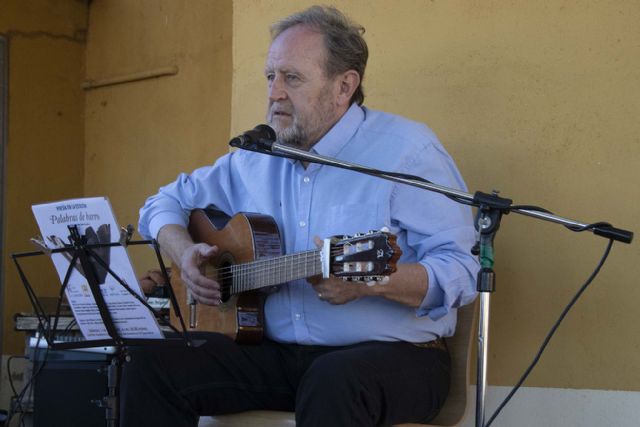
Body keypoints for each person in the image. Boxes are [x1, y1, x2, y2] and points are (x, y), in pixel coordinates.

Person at [121, 5, 479, 427]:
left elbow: (462, 271)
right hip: (277, 355)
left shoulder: (407, 152)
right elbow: (160, 204)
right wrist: (184, 253)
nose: (274, 93)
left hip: (398, 360)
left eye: (292, 78)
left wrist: (374, 285)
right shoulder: (256, 156)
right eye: (271, 76)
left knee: (335, 379)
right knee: (149, 365)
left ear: (344, 85)